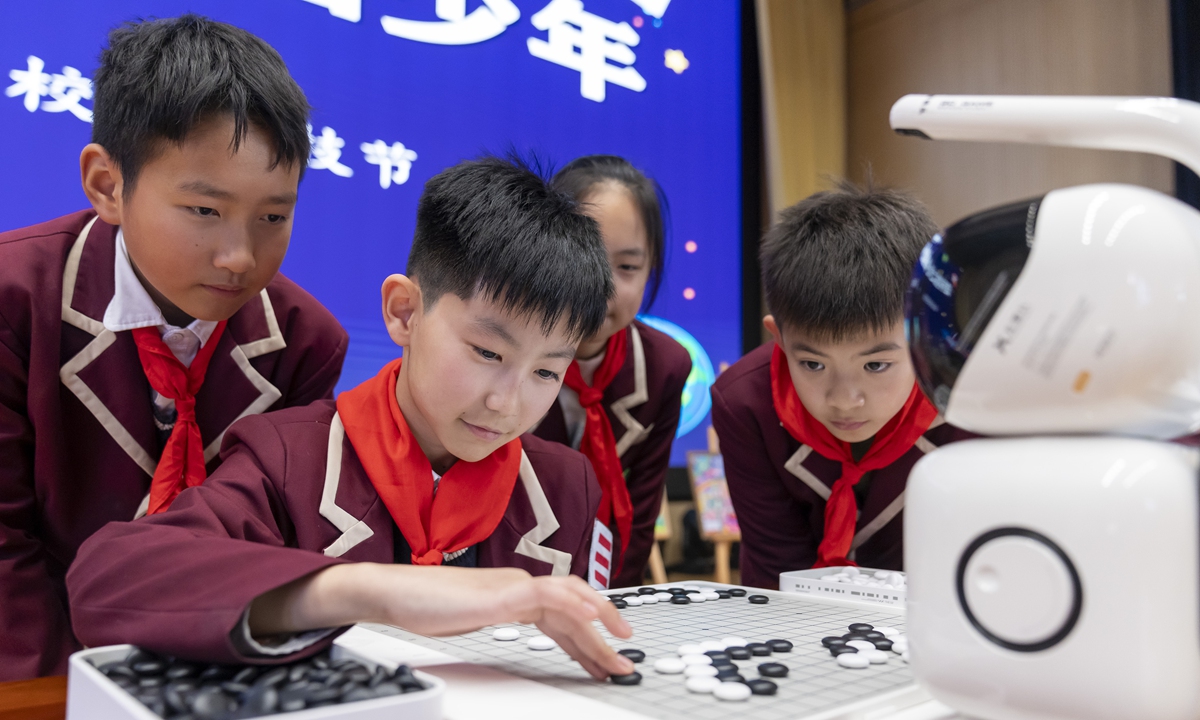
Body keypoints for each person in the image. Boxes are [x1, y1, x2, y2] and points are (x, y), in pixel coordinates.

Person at [67, 157, 637, 681]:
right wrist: (370, 589)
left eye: (546, 372)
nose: (506, 403)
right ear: (404, 312)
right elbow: (110, 578)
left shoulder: (566, 486)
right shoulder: (289, 459)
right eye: (487, 354)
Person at [0, 15, 348, 679]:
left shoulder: (306, 344)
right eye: (204, 211)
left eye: (274, 217)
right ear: (107, 184)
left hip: (208, 669)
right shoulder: (15, 299)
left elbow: (263, 544)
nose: (240, 257)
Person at [711, 183, 973, 589]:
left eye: (877, 364)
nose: (845, 399)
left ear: (925, 334)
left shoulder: (974, 399)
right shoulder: (744, 403)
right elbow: (775, 568)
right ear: (777, 338)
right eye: (813, 363)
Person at [534, 156, 691, 589]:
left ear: (650, 271)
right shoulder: (504, 357)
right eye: (586, 257)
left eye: (627, 267)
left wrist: (613, 605)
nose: (603, 288)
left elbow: (640, 513)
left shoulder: (665, 366)